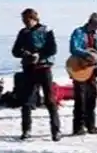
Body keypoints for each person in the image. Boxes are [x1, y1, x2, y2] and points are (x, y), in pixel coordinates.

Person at [11, 8, 60, 141]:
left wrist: (39, 55)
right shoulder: (23, 32)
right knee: (26, 101)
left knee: (50, 100)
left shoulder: (46, 30)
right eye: (23, 21)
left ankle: (56, 130)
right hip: (29, 69)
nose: (25, 23)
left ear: (34, 19)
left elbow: (52, 49)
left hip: (44, 68)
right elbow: (15, 51)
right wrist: (25, 53)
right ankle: (26, 129)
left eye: (27, 21)